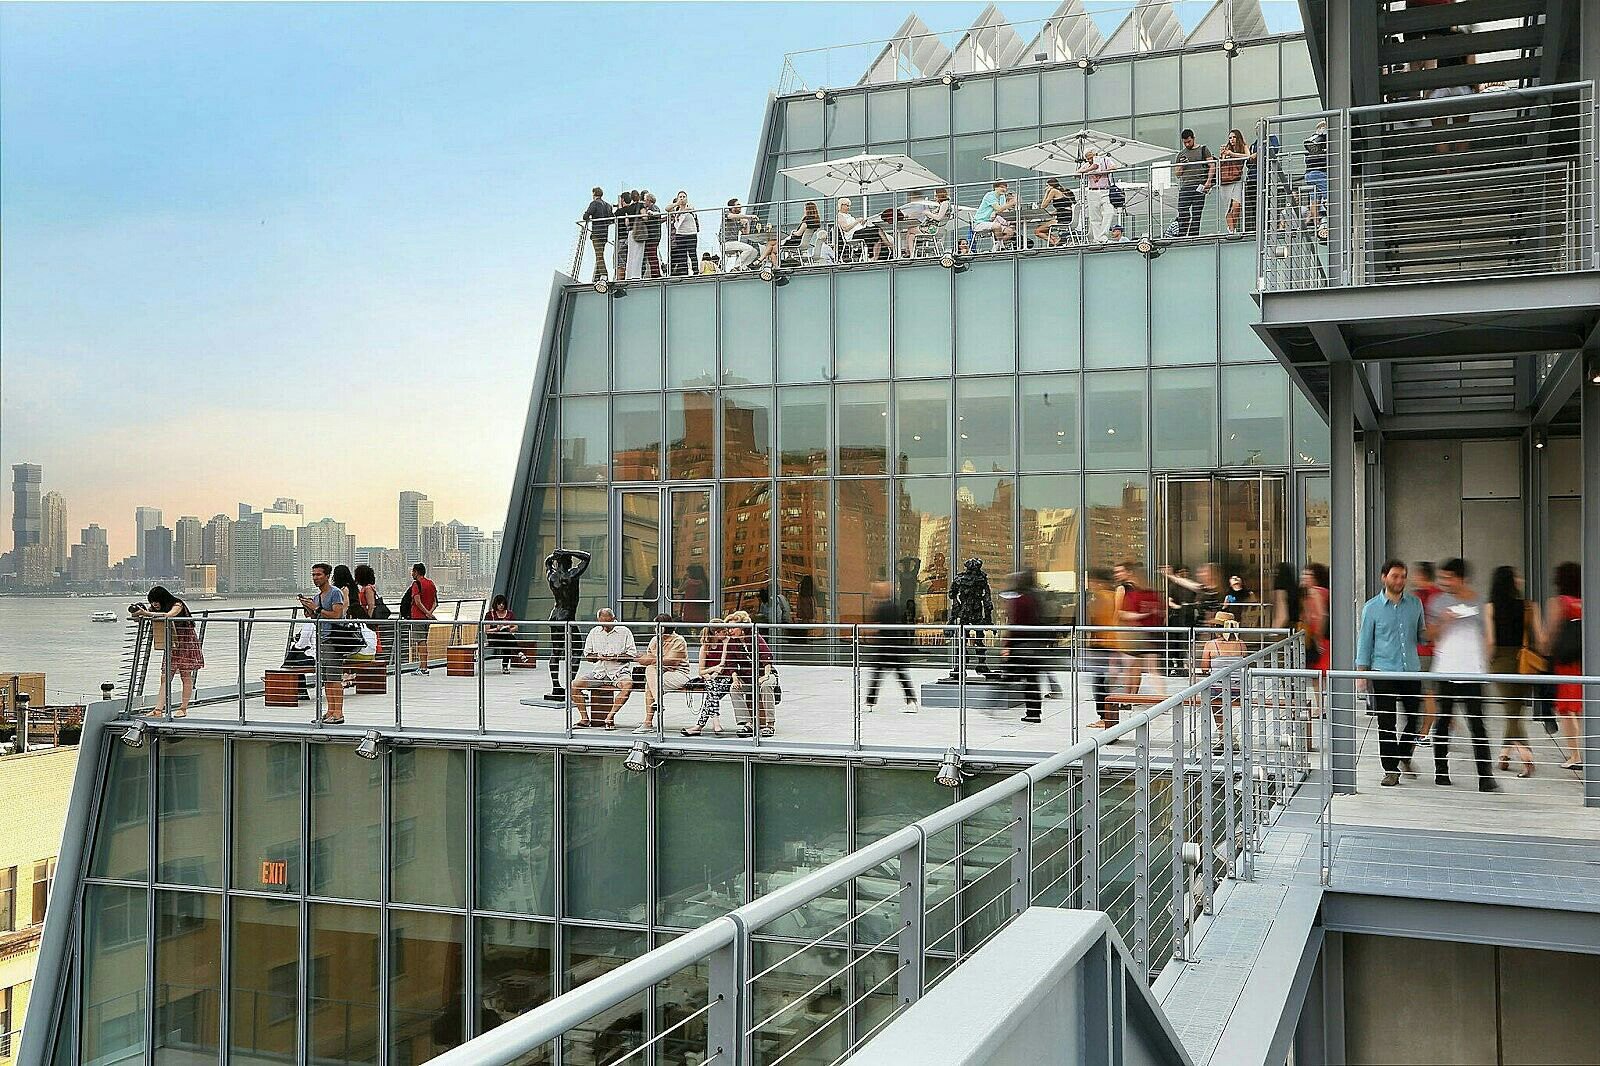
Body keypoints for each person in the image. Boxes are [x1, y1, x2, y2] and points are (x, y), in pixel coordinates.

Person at [1355, 560, 1426, 787]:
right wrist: (1362, 674)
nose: (1399, 581)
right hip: (1383, 670)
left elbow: (1421, 635)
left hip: (1411, 671)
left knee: (1415, 718)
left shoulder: (1415, 604)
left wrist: (1436, 631)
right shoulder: (1371, 608)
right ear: (1384, 578)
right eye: (1395, 576)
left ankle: (1403, 754)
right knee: (1387, 723)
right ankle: (1390, 769)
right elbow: (1365, 642)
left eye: (1403, 576)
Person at [1427, 558, 1495, 791]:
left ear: (1461, 578)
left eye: (1449, 577)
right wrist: (1445, 620)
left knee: (1478, 724)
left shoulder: (1479, 602)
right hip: (1445, 670)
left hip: (1472, 672)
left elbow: (1488, 636)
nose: (1444, 582)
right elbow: (1431, 635)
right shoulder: (1437, 603)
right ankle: (1441, 771)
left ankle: (1485, 776)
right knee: (1443, 721)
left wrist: (1485, 663)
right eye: (1442, 577)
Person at [1485, 566, 1539, 778]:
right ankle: (1504, 754)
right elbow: (1542, 640)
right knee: (1515, 709)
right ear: (1510, 581)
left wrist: (1487, 662)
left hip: (1500, 661)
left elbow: (1490, 641)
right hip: (1524, 662)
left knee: (1511, 710)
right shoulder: (1528, 607)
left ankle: (1527, 757)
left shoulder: (1490, 608)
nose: (1520, 579)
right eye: (1517, 576)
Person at [133, 585, 203, 717]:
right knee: (165, 676)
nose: (154, 604)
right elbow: (147, 615)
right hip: (171, 643)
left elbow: (168, 615)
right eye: (152, 601)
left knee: (185, 675)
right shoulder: (154, 608)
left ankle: (183, 708)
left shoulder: (177, 604)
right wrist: (138, 613)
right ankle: (158, 710)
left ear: (163, 599)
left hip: (185, 642)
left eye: (156, 600)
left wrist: (146, 613)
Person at [298, 563, 351, 725]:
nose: (315, 578)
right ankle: (330, 711)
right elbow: (316, 618)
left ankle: (339, 713)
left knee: (334, 677)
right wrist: (309, 609)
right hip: (321, 639)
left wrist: (317, 609)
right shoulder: (317, 597)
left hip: (334, 640)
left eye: (318, 575)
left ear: (327, 576)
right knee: (327, 679)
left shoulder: (335, 593)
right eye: (313, 575)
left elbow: (337, 615)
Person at [1544, 561, 1583, 770]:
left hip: (1564, 661)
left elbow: (1550, 633)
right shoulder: (1584, 601)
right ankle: (1580, 752)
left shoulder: (1559, 602)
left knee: (1567, 709)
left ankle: (1575, 755)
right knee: (1577, 708)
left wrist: (1543, 651)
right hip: (1583, 660)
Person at [571, 609, 637, 729]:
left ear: (613, 619)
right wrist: (598, 656)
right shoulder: (594, 632)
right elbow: (588, 656)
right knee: (574, 685)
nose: (605, 625)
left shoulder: (624, 631)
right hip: (599, 673)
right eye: (602, 622)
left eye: (608, 622)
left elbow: (632, 655)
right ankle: (584, 719)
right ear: (598, 620)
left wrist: (616, 657)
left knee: (628, 685)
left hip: (619, 672)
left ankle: (610, 717)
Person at [863, 580, 917, 713]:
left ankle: (870, 701)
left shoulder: (882, 608)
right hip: (895, 646)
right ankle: (911, 700)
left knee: (877, 674)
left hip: (886, 646)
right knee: (900, 674)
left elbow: (876, 624)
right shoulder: (894, 606)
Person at [1002, 569, 1046, 724]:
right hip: (1035, 645)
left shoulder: (1021, 600)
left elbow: (1016, 625)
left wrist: (1008, 645)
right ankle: (1034, 712)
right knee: (1032, 680)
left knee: (1016, 676)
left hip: (1022, 645)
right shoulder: (1037, 597)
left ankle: (994, 702)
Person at [1201, 611, 1249, 752]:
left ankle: (1225, 738)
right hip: (1238, 689)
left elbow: (1204, 668)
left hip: (1218, 689)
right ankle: (1229, 737)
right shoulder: (1241, 644)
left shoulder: (1210, 645)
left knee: (1216, 706)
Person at [722, 610, 775, 737]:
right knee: (734, 689)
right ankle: (747, 723)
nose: (730, 631)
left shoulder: (755, 637)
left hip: (765, 673)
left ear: (742, 627)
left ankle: (770, 725)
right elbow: (731, 664)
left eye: (733, 627)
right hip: (747, 676)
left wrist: (765, 676)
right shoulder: (732, 642)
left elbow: (766, 657)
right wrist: (735, 679)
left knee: (766, 685)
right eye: (728, 628)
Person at [635, 613, 690, 733]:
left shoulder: (679, 640)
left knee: (651, 684)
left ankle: (648, 722)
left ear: (663, 628)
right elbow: (650, 658)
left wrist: (652, 659)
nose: (655, 629)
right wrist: (648, 660)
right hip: (660, 671)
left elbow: (673, 662)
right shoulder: (655, 640)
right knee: (650, 671)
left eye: (657, 626)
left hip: (679, 673)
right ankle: (657, 703)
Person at [1114, 562, 1163, 698]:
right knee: (1146, 669)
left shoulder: (1123, 589)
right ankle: (1136, 697)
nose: (1117, 574)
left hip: (1131, 634)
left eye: (1119, 571)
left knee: (1130, 667)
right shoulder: (1147, 590)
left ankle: (1129, 698)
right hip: (1147, 633)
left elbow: (1118, 613)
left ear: (1130, 572)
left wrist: (1114, 631)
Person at [1084, 569, 1122, 729]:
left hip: (1102, 644)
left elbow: (1097, 622)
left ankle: (1104, 717)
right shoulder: (1113, 595)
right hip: (1112, 643)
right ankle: (1108, 716)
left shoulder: (1100, 597)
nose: (1089, 584)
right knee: (1105, 681)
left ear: (1098, 582)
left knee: (1099, 682)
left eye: (1091, 581)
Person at [683, 618, 732, 736]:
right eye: (724, 632)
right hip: (711, 679)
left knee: (711, 693)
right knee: (712, 688)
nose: (727, 634)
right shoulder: (705, 647)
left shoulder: (726, 642)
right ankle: (715, 722)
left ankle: (699, 726)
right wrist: (713, 671)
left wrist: (715, 672)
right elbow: (701, 671)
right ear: (717, 633)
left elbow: (723, 664)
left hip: (725, 677)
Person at [1411, 561, 1441, 741]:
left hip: (1423, 651)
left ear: (1422, 575)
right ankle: (1447, 724)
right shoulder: (1440, 595)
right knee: (1434, 691)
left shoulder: (1419, 597)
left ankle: (1425, 731)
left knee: (1427, 692)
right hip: (1438, 651)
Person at [1173, 129, 1215, 238]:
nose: (1187, 144)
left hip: (1199, 185)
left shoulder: (1203, 150)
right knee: (1182, 211)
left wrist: (1208, 181)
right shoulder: (1181, 154)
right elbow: (1177, 173)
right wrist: (1182, 164)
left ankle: (1193, 235)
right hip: (1185, 186)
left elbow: (1212, 165)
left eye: (1189, 142)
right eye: (1185, 142)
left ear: (1193, 138)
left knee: (1197, 213)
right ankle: (1182, 235)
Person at [402, 563, 439, 675]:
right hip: (426, 618)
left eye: (413, 571)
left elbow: (417, 602)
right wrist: (429, 613)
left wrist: (426, 613)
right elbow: (435, 602)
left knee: (420, 642)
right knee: (424, 641)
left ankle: (423, 668)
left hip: (418, 617)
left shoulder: (416, 584)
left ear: (417, 572)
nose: (412, 573)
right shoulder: (431, 583)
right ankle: (423, 666)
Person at [761, 201, 822, 268]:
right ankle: (760, 260)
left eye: (805, 209)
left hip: (794, 242)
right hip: (800, 242)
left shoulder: (806, 222)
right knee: (770, 242)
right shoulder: (814, 222)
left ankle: (775, 267)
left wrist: (793, 232)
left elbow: (798, 233)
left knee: (772, 250)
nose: (804, 211)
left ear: (808, 210)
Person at [1077, 148, 1116, 242]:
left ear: (1096, 155)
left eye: (1091, 157)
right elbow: (1077, 173)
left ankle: (1103, 234)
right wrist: (1091, 168)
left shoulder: (1105, 160)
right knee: (1094, 217)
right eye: (1088, 158)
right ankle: (1098, 238)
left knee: (1109, 212)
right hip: (1092, 191)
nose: (1089, 160)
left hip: (1104, 190)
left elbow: (1114, 167)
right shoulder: (1087, 165)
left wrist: (1101, 171)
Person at [485, 595, 530, 674]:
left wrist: (509, 629)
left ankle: (506, 666)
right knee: (507, 638)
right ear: (496, 604)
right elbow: (487, 631)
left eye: (503, 604)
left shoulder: (510, 614)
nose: (501, 606)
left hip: (506, 637)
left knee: (507, 640)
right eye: (499, 604)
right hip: (494, 638)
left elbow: (516, 627)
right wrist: (497, 629)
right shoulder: (490, 614)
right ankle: (518, 653)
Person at [1301, 120, 1329, 240]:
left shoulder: (1311, 141)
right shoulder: (1326, 138)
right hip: (1321, 172)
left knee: (1314, 201)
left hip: (1309, 174)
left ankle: (1319, 225)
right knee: (1328, 197)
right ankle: (1329, 222)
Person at [1219, 129, 1250, 235]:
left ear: (1238, 137)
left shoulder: (1243, 147)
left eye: (1234, 137)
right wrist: (1223, 155)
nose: (1232, 140)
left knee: (1237, 205)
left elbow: (1248, 156)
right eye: (1230, 138)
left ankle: (1233, 227)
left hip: (1237, 179)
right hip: (1225, 181)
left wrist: (1232, 154)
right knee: (1228, 206)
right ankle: (1231, 230)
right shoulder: (1226, 148)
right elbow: (1221, 164)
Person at [972, 179, 1017, 247]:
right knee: (997, 226)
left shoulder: (1002, 197)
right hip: (980, 222)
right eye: (1001, 187)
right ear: (995, 187)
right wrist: (1011, 203)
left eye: (1005, 187)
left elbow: (1002, 211)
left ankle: (996, 247)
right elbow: (998, 208)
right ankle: (1001, 246)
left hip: (991, 221)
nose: (1004, 189)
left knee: (1010, 231)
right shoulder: (990, 195)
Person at [582, 187, 613, 282]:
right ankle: (597, 276)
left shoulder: (594, 203)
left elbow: (585, 216)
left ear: (594, 193)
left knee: (599, 255)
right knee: (600, 254)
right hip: (604, 233)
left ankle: (604, 275)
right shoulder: (608, 205)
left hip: (597, 233)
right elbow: (612, 219)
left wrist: (588, 217)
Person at [1034, 177, 1075, 247]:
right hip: (1068, 216)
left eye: (1047, 186)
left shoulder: (1053, 191)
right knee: (1043, 227)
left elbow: (1043, 206)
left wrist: (1047, 193)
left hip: (1062, 219)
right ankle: (1056, 240)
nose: (1045, 188)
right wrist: (1052, 213)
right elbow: (1063, 207)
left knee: (1038, 231)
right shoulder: (1063, 191)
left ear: (1051, 186)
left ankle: (1055, 242)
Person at [721, 198, 758, 271]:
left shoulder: (738, 219)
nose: (740, 206)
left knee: (754, 251)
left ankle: (743, 266)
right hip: (726, 243)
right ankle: (736, 267)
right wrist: (748, 216)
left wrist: (747, 222)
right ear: (732, 207)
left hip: (734, 243)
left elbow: (745, 233)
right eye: (738, 205)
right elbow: (731, 216)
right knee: (749, 248)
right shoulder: (726, 212)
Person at [667, 191, 699, 277]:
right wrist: (677, 204)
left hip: (691, 233)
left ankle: (696, 271)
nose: (682, 198)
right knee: (682, 254)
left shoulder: (690, 206)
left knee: (692, 253)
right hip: (680, 234)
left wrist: (680, 211)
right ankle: (684, 272)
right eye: (680, 197)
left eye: (684, 196)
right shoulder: (676, 209)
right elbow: (667, 208)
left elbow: (690, 210)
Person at [624, 189, 648, 280]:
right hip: (639, 231)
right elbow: (645, 217)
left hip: (630, 232)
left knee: (630, 254)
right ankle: (636, 275)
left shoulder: (628, 208)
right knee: (638, 254)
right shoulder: (641, 205)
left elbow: (627, 222)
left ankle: (629, 275)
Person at [640, 191, 664, 279]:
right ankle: (653, 273)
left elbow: (657, 215)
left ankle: (656, 274)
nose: (644, 202)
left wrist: (650, 213)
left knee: (652, 255)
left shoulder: (654, 208)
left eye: (645, 200)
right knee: (651, 255)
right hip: (653, 235)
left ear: (649, 201)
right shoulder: (651, 208)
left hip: (653, 236)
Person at [611, 190, 635, 280]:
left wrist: (619, 206)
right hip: (629, 237)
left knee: (619, 259)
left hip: (621, 237)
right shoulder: (632, 209)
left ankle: (619, 280)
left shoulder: (620, 211)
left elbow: (613, 217)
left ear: (622, 200)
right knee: (627, 259)